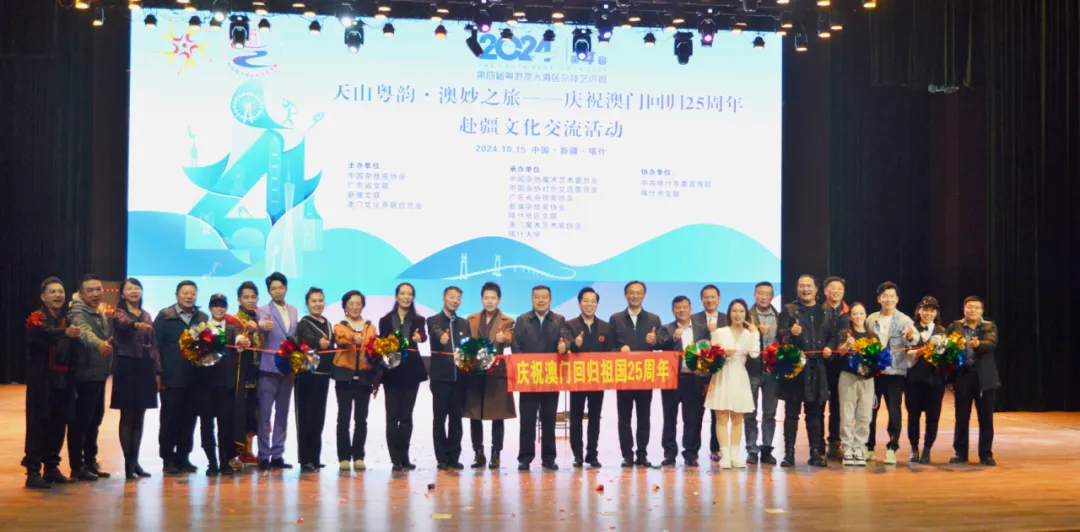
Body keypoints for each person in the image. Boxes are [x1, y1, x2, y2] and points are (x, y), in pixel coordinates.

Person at [22, 277, 80, 489]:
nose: (58, 295)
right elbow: (42, 335)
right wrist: (65, 333)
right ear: (43, 296)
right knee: (39, 424)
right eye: (53, 292)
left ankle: (51, 468)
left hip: (64, 379)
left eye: (61, 291)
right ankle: (33, 471)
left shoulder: (65, 319)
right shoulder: (36, 318)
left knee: (59, 423)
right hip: (42, 380)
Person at [777, 274, 834, 468]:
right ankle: (789, 454)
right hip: (795, 368)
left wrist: (829, 347)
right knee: (791, 414)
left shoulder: (826, 310)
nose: (805, 289)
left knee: (815, 414)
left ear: (816, 289)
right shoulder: (789, 310)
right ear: (797, 289)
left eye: (809, 286)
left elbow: (832, 336)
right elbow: (780, 335)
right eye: (802, 286)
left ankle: (816, 453)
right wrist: (789, 333)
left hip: (817, 368)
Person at [609, 280, 669, 468]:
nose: (635, 296)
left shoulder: (653, 319)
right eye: (631, 292)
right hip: (623, 375)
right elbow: (609, 347)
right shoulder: (616, 318)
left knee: (644, 417)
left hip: (645, 375)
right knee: (624, 418)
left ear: (644, 295)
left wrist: (655, 341)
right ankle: (627, 455)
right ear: (626, 295)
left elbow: (661, 345)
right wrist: (619, 350)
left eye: (639, 293)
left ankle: (642, 454)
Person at [154, 280, 208, 475]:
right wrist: (158, 374)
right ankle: (168, 458)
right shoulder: (165, 316)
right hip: (171, 377)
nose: (189, 296)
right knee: (170, 419)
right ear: (177, 295)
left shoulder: (202, 318)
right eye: (185, 293)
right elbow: (155, 347)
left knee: (189, 420)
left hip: (195, 378)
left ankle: (183, 457)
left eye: (192, 293)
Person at [109, 278, 161, 480]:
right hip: (126, 366)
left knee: (140, 415)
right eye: (129, 288)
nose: (133, 291)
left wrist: (158, 372)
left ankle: (135, 462)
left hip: (145, 367)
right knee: (127, 415)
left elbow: (154, 346)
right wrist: (137, 325)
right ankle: (128, 464)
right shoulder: (119, 313)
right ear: (122, 293)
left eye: (137, 288)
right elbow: (124, 324)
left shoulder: (146, 314)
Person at [512, 285, 566, 472]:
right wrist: (525, 368)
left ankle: (549, 458)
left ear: (550, 300)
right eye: (537, 297)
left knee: (549, 420)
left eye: (544, 297)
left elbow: (565, 339)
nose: (541, 300)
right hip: (529, 378)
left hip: (551, 377)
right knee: (527, 420)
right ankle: (525, 458)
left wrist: (564, 346)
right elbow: (515, 346)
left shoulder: (559, 320)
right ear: (532, 299)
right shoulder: (522, 320)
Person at [865, 281, 918, 465]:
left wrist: (910, 337)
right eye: (885, 296)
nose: (888, 300)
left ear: (897, 299)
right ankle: (869, 447)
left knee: (894, 411)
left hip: (895, 373)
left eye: (892, 296)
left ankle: (892, 447)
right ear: (879, 299)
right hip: (874, 372)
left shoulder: (905, 320)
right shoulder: (871, 319)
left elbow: (914, 339)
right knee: (870, 410)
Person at [464, 282, 516, 469]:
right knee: (474, 414)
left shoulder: (507, 320)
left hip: (496, 373)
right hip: (475, 371)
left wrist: (505, 338)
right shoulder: (471, 319)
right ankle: (478, 453)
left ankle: (496, 453)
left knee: (497, 415)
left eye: (493, 298)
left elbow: (510, 338)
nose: (489, 301)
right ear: (481, 299)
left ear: (499, 300)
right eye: (486, 298)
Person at [68, 274, 114, 481]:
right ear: (80, 293)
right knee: (80, 423)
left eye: (98, 289)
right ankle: (77, 467)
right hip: (84, 375)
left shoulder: (99, 310)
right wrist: (99, 344)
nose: (96, 294)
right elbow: (84, 333)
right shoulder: (77, 311)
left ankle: (90, 462)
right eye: (90, 290)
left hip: (98, 374)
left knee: (94, 420)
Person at [378, 282, 429, 472]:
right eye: (403, 293)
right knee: (392, 416)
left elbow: (423, 336)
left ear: (413, 297)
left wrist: (419, 338)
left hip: (411, 372)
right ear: (396, 296)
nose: (406, 297)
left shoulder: (419, 319)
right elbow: (382, 344)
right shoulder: (385, 320)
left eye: (409, 294)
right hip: (391, 372)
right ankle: (395, 459)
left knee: (406, 416)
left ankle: (404, 456)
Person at [705, 299, 760, 469]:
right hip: (722, 375)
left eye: (741, 311)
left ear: (746, 314)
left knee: (738, 418)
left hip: (740, 376)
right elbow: (712, 355)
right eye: (734, 311)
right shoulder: (720, 332)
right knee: (721, 417)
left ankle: (735, 455)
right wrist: (722, 353)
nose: (738, 314)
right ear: (729, 313)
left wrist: (755, 333)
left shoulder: (749, 334)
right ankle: (725, 455)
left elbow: (754, 355)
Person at [559, 287, 611, 468]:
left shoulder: (605, 327)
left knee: (595, 417)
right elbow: (564, 345)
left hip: (598, 378)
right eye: (586, 301)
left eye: (593, 301)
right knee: (576, 417)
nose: (589, 304)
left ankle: (592, 454)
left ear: (597, 304)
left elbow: (610, 351)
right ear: (579, 303)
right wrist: (574, 343)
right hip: (577, 378)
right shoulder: (570, 325)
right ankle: (578, 455)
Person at [197, 294, 248, 475]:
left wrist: (242, 341)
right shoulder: (202, 328)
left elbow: (239, 338)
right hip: (205, 384)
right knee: (206, 424)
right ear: (210, 308)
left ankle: (225, 462)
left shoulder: (232, 328)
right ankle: (211, 463)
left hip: (226, 385)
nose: (219, 309)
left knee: (225, 424)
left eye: (222, 306)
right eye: (215, 305)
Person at [947, 296, 999, 466]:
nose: (973, 310)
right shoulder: (955, 326)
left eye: (976, 308)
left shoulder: (989, 326)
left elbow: (991, 343)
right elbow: (946, 348)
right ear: (964, 309)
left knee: (986, 418)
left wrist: (979, 345)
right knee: (961, 417)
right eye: (969, 307)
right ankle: (960, 453)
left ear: (982, 311)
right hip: (963, 376)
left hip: (984, 377)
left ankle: (986, 454)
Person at [659, 295, 710, 468]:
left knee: (692, 419)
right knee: (669, 418)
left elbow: (707, 355)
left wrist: (706, 380)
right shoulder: (666, 328)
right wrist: (673, 338)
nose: (681, 310)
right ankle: (669, 454)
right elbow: (659, 345)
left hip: (694, 380)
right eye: (677, 307)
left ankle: (690, 454)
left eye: (684, 307)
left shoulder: (701, 329)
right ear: (673, 310)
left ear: (690, 309)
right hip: (672, 379)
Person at [332, 290, 379, 471]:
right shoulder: (340, 325)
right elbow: (340, 339)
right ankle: (343, 457)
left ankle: (359, 456)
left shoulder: (370, 327)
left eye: (358, 303)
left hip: (364, 378)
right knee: (343, 418)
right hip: (344, 377)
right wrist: (353, 338)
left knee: (361, 419)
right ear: (345, 306)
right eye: (351, 303)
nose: (354, 307)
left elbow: (374, 347)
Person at [255, 271, 298, 470]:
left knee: (282, 413)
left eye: (281, 287)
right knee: (265, 414)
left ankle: (278, 454)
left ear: (286, 288)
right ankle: (264, 455)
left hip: (287, 369)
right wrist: (263, 325)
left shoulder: (293, 310)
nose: (278, 291)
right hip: (268, 368)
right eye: (274, 288)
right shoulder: (263, 310)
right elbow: (260, 325)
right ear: (269, 291)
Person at [427, 286, 469, 471]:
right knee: (439, 419)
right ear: (444, 298)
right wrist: (441, 337)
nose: (455, 301)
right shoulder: (433, 320)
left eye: (458, 298)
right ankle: (441, 458)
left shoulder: (464, 323)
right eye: (452, 297)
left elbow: (467, 347)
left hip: (460, 378)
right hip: (441, 379)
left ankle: (454, 456)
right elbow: (435, 332)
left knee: (456, 419)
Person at [295, 287, 335, 472]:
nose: (318, 304)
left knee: (319, 417)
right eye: (314, 301)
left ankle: (315, 457)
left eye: (320, 300)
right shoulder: (304, 323)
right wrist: (320, 343)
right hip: (306, 376)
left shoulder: (327, 323)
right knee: (306, 417)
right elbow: (308, 339)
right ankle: (305, 459)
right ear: (307, 304)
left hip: (323, 376)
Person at [905, 296, 947, 464]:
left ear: (936, 313)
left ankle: (927, 449)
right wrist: (920, 351)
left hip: (934, 381)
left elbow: (945, 357)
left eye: (932, 310)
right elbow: (905, 355)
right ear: (918, 311)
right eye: (925, 310)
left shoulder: (942, 331)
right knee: (913, 416)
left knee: (933, 416)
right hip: (914, 381)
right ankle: (914, 448)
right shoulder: (910, 329)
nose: (928, 313)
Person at [835, 302, 878, 466]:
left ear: (865, 315)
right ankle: (847, 448)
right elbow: (840, 352)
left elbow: (879, 356)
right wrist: (848, 344)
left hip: (867, 379)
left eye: (861, 313)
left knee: (865, 416)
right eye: (855, 314)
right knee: (847, 415)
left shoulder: (872, 335)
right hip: (848, 378)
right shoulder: (844, 333)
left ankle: (860, 448)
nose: (858, 316)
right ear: (850, 317)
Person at [692, 285, 728, 464]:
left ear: (719, 299)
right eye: (706, 297)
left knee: (718, 415)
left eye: (713, 297)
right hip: (698, 375)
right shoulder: (693, 319)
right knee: (695, 415)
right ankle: (692, 452)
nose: (710, 300)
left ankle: (716, 449)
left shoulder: (727, 319)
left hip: (720, 375)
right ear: (702, 300)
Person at [746, 281, 780, 465]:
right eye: (760, 293)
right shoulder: (747, 316)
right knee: (750, 412)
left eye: (768, 294)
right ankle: (752, 449)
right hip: (752, 370)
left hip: (772, 371)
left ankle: (767, 449)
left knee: (770, 413)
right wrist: (758, 331)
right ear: (754, 294)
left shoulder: (779, 316)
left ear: (772, 296)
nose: (764, 297)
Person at [232, 281, 262, 468]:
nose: (250, 300)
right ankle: (237, 452)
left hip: (259, 374)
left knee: (254, 413)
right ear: (239, 300)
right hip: (240, 374)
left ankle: (249, 451)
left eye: (253, 297)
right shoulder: (234, 320)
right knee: (240, 413)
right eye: (246, 297)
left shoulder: (261, 318)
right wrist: (246, 331)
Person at [821, 276, 851, 461]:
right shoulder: (818, 310)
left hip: (842, 365)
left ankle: (834, 443)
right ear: (825, 291)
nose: (836, 291)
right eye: (832, 288)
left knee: (838, 405)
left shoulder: (850, 312)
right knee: (818, 404)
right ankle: (817, 445)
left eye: (839, 288)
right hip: (821, 363)